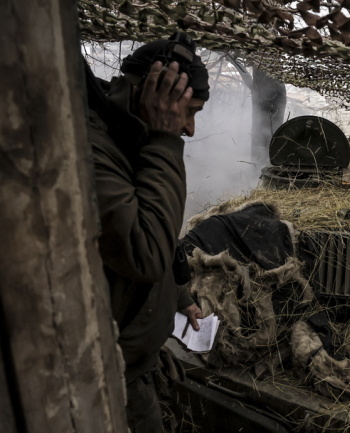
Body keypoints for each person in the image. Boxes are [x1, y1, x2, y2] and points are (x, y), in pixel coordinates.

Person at [85, 32, 209, 432]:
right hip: (102, 379)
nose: (189, 128)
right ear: (151, 91)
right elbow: (143, 251)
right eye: (186, 111)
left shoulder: (129, 136)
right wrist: (165, 139)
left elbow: (160, 225)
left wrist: (182, 296)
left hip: (134, 366)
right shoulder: (93, 147)